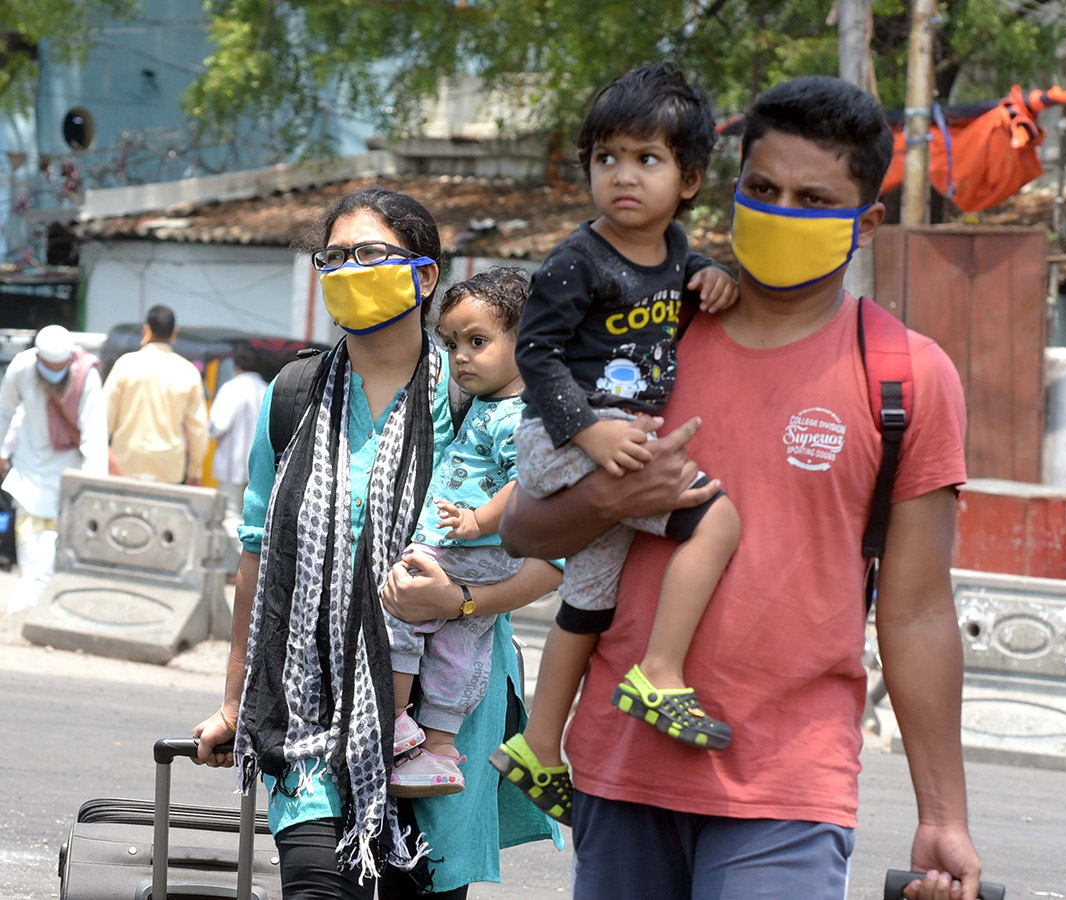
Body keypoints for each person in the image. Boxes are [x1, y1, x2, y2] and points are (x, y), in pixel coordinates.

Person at [499, 76, 984, 900]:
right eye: (762, 189)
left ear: (863, 224)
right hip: (621, 772)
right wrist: (614, 499)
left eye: (811, 197)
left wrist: (944, 811)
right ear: (727, 191)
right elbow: (523, 532)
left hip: (788, 788)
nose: (781, 211)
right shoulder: (646, 339)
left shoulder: (904, 376)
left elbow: (917, 610)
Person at [191, 187, 562, 900]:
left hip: (436, 730)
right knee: (316, 886)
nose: (348, 269)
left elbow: (554, 559)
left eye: (370, 254)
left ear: (423, 276)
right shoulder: (294, 394)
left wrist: (458, 601)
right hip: (306, 713)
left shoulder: (477, 403)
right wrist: (236, 702)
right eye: (334, 257)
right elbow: (257, 550)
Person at [489, 63, 741, 824]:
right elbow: (534, 354)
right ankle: (659, 672)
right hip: (569, 437)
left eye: (646, 159)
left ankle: (538, 744)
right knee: (714, 517)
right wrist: (589, 432)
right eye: (607, 159)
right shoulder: (577, 259)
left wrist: (715, 275)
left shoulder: (675, 249)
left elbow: (686, 271)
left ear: (690, 178)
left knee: (588, 604)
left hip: (607, 440)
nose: (622, 177)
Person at [385, 267, 531, 798]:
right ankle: (441, 749)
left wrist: (477, 521)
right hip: (485, 559)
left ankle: (395, 724)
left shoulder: (516, 414)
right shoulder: (489, 404)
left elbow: (526, 481)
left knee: (398, 607)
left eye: (477, 341)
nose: (460, 356)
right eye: (452, 344)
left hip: (467, 550)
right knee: (458, 649)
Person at [0, 325, 107, 610]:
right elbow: (4, 412)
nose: (54, 371)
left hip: (68, 486)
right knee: (29, 562)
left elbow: (94, 436)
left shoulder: (86, 375)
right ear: (38, 357)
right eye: (49, 366)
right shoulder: (22, 367)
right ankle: (25, 615)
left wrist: (95, 489)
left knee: (57, 565)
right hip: (29, 481)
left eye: (59, 366)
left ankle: (44, 612)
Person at [104, 304, 208, 485]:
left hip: (125, 464)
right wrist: (195, 470)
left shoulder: (125, 364)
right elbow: (198, 428)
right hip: (168, 468)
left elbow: (104, 416)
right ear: (174, 332)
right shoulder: (188, 371)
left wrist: (103, 454)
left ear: (146, 330)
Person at [207, 342, 267, 521]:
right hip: (258, 469)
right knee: (252, 518)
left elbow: (218, 426)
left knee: (229, 516)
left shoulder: (231, 388)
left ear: (236, 365)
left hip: (231, 466)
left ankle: (235, 550)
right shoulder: (267, 389)